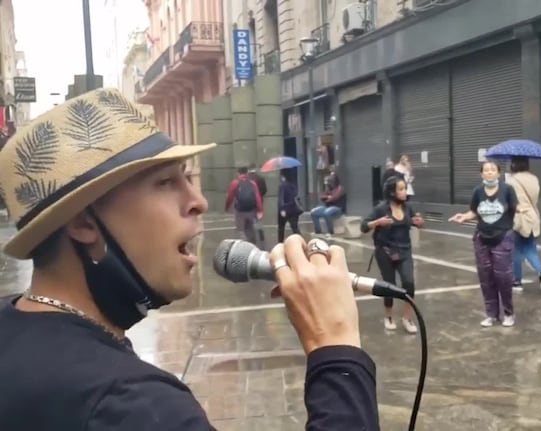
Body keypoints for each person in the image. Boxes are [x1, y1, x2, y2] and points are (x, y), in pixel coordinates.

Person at [0, 89, 379, 430]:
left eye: (187, 178)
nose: (199, 202)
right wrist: (336, 345)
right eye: (165, 182)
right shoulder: (135, 406)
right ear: (83, 221)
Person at [449, 160, 518, 327]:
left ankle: (509, 313)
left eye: (492, 169)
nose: (489, 172)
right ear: (481, 174)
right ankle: (491, 315)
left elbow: (513, 209)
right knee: (486, 277)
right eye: (486, 170)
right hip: (482, 238)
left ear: (498, 173)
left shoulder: (507, 190)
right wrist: (464, 217)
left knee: (503, 277)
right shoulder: (478, 191)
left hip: (502, 237)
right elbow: (474, 210)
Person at [361, 176, 424, 333]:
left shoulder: (408, 208)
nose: (404, 192)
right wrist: (377, 223)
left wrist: (419, 222)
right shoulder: (381, 209)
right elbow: (363, 226)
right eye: (401, 189)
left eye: (405, 188)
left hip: (404, 251)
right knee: (389, 285)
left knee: (409, 283)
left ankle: (407, 318)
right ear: (392, 192)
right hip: (385, 252)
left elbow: (418, 222)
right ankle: (388, 316)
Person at [506, 157, 541, 291]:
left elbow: (509, 200)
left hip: (520, 217)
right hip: (533, 216)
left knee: (516, 251)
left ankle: (517, 282)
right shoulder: (534, 178)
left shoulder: (511, 180)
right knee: (530, 248)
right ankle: (540, 271)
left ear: (513, 164)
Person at [225, 166, 264, 247]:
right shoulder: (252, 183)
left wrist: (227, 207)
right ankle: (252, 246)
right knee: (250, 229)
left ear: (238, 173)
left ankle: (243, 247)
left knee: (240, 230)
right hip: (251, 210)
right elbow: (257, 197)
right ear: (247, 173)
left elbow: (230, 196)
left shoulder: (235, 183)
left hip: (240, 211)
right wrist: (260, 210)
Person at [310, 171, 346, 238]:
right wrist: (327, 194)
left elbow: (334, 198)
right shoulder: (328, 188)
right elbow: (321, 196)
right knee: (313, 212)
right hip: (327, 207)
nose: (330, 181)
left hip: (338, 208)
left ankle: (331, 232)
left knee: (327, 213)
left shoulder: (339, 188)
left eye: (331, 179)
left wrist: (328, 197)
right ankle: (318, 231)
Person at [278, 169, 302, 243]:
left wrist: (282, 209)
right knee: (295, 228)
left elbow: (281, 199)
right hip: (294, 209)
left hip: (285, 210)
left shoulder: (282, 186)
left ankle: (280, 243)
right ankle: (301, 242)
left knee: (281, 228)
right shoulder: (294, 185)